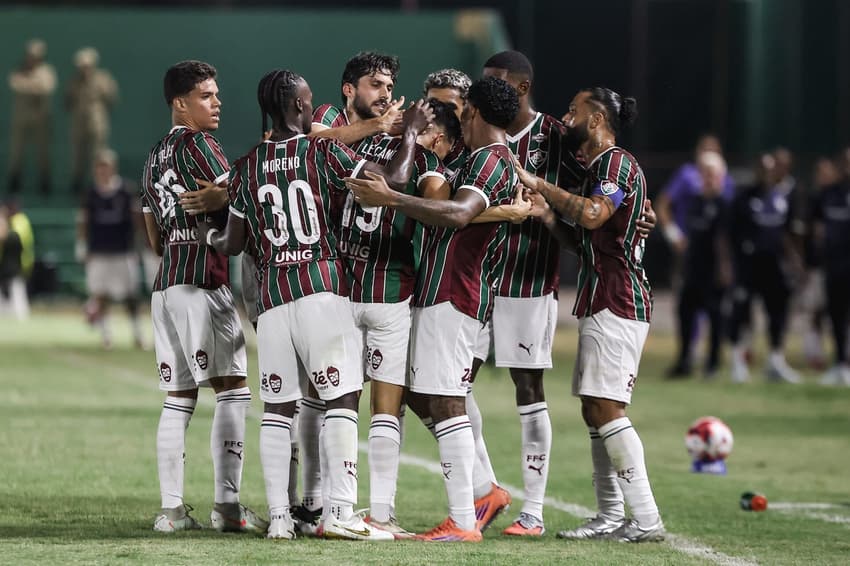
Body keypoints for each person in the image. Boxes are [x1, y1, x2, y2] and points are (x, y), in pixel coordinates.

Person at [200, 68, 432, 540]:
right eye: (308, 102)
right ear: (301, 108)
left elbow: (233, 241)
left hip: (272, 301)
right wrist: (408, 133)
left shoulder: (245, 167)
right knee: (342, 397)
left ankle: (281, 520)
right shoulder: (322, 151)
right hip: (320, 288)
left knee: (277, 408)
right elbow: (391, 182)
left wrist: (203, 231)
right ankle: (340, 513)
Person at [347, 75, 521, 542]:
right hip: (440, 290)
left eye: (465, 109)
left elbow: (460, 213)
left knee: (446, 401)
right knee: (431, 397)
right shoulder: (484, 159)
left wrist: (392, 198)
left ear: (476, 112)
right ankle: (478, 497)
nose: (459, 114)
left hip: (455, 293)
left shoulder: (491, 160)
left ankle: (465, 520)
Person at [513, 87, 665, 542]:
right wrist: (547, 217)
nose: (566, 117)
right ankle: (610, 514)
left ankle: (646, 517)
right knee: (594, 407)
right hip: (602, 296)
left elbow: (595, 215)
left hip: (619, 299)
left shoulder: (616, 163)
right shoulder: (599, 169)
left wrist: (542, 185)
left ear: (597, 120)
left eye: (574, 111)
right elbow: (585, 239)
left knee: (607, 406)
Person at [141, 60, 266, 534]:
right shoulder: (199, 144)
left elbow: (152, 233)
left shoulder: (153, 155)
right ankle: (227, 508)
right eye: (207, 96)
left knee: (178, 398)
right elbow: (238, 192)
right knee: (233, 390)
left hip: (166, 285)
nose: (217, 103)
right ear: (181, 103)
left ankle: (171, 512)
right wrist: (224, 199)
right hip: (202, 281)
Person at [474, 50, 587, 536]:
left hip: (530, 279)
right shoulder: (473, 130)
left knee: (527, 387)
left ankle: (533, 512)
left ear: (520, 87)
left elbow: (594, 198)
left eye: (495, 83)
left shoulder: (555, 138)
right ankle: (483, 488)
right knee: (443, 389)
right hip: (473, 278)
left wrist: (630, 211)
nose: (485, 93)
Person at [727, 153, 803, 384]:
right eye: (763, 168)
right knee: (742, 312)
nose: (768, 173)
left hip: (774, 265)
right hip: (749, 265)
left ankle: (775, 360)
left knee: (777, 311)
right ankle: (738, 360)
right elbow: (731, 233)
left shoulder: (783, 198)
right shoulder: (744, 197)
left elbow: (788, 233)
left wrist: (795, 261)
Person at [666, 151, 732, 378]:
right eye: (705, 173)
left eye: (712, 173)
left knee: (715, 319)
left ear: (721, 176)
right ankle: (684, 361)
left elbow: (725, 241)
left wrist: (725, 269)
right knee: (685, 314)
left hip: (714, 272)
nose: (708, 178)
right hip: (693, 268)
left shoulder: (725, 204)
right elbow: (688, 238)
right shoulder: (694, 202)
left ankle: (712, 364)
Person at [76, 149, 144, 349]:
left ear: (113, 168)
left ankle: (137, 333)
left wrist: (138, 244)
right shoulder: (90, 193)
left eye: (106, 166)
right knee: (101, 294)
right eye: (99, 167)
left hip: (123, 250)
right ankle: (106, 335)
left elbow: (137, 219)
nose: (103, 171)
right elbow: (84, 220)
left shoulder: (125, 190)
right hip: (99, 251)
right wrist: (82, 245)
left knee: (130, 294)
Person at [811, 147, 850, 386]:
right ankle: (840, 364)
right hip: (834, 266)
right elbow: (817, 229)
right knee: (836, 316)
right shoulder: (828, 194)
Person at [311, 51, 405, 145]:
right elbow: (312, 144)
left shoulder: (388, 132)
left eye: (389, 88)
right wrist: (380, 123)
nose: (386, 95)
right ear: (349, 90)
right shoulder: (330, 114)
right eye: (376, 85)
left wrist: (413, 133)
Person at [66, 47, 119, 193]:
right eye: (82, 66)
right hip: (79, 122)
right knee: (78, 154)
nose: (84, 69)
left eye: (87, 66)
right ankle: (77, 184)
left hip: (97, 121)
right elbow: (68, 100)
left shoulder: (102, 78)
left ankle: (98, 184)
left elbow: (112, 97)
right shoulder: (75, 81)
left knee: (98, 153)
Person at [7, 39, 56, 194]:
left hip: (40, 119)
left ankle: (44, 184)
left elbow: (47, 88)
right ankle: (14, 183)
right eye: (30, 55)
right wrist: (34, 86)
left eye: (36, 56)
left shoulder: (47, 71)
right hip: (21, 119)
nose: (32, 58)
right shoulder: (20, 70)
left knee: (42, 153)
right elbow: (15, 84)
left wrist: (28, 86)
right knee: (17, 152)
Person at [0, 208, 26, 319]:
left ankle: (20, 316)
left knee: (17, 294)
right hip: (6, 271)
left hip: (12, 270)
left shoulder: (14, 236)